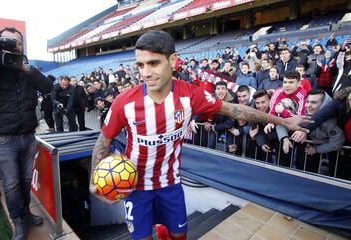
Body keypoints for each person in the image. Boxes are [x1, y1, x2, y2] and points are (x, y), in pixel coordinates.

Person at [90, 30, 309, 240]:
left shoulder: (191, 95)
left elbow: (236, 109)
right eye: (140, 65)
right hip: (135, 187)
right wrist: (95, 179)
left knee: (179, 236)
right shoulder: (124, 102)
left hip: (170, 184)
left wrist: (284, 121)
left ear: (173, 60)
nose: (145, 72)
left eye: (153, 63)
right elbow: (104, 139)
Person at [0, 27, 53, 240]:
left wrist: (25, 68)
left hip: (28, 135)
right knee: (11, 183)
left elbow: (47, 88)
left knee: (26, 180)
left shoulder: (26, 66)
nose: (11, 46)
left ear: (22, 45)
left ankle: (25, 213)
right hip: (3, 138)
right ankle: (18, 221)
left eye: (15, 42)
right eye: (6, 42)